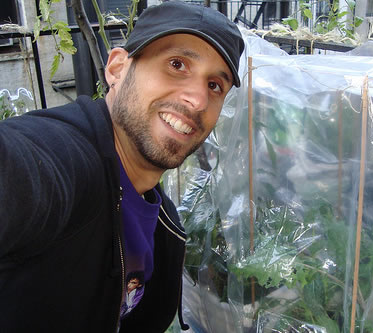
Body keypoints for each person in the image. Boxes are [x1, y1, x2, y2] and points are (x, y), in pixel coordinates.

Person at [0, 1, 245, 332]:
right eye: (177, 64)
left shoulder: (163, 222)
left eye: (215, 85)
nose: (198, 100)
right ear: (117, 69)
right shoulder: (67, 160)